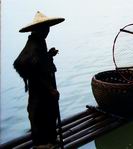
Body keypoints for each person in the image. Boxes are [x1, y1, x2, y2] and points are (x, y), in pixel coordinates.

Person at [13, 11, 65, 148]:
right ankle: (42, 144)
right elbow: (29, 67)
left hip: (42, 88)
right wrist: (50, 89)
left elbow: (39, 63)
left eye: (48, 27)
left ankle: (50, 140)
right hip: (40, 89)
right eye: (45, 28)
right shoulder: (34, 44)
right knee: (41, 115)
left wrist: (49, 55)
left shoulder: (39, 41)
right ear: (38, 29)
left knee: (49, 112)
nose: (48, 30)